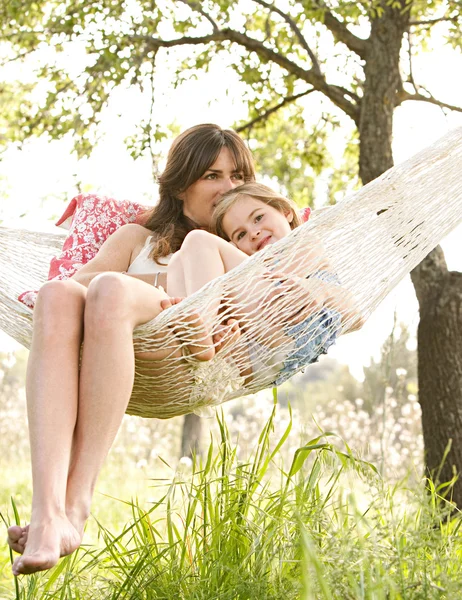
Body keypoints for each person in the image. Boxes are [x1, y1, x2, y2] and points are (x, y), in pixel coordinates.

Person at [6, 123, 256, 576]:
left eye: (237, 176)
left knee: (109, 290)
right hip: (113, 327)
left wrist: (145, 285)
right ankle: (47, 511)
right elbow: (74, 284)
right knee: (58, 295)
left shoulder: (243, 243)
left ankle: (76, 504)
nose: (228, 187)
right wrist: (153, 278)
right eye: (213, 175)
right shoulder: (134, 239)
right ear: (181, 185)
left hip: (176, 344)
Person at [164, 182, 362, 387]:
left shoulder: (304, 243)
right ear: (235, 245)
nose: (253, 233)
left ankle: (198, 329)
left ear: (286, 212)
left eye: (258, 218)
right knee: (177, 261)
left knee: (198, 240)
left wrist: (319, 290)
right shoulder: (248, 274)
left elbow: (356, 317)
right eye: (240, 234)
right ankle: (200, 331)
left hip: (293, 333)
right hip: (252, 361)